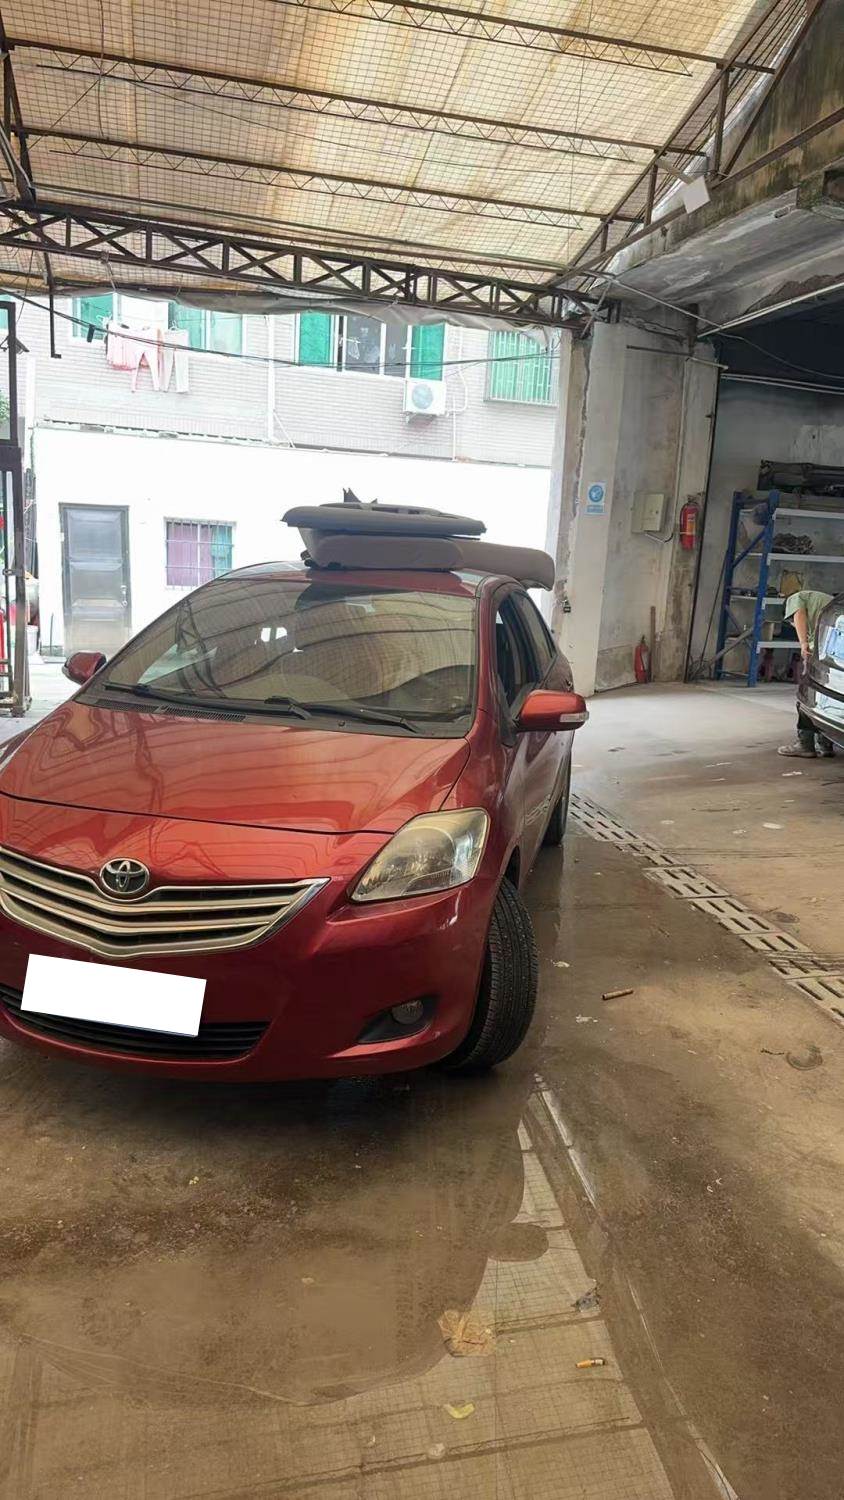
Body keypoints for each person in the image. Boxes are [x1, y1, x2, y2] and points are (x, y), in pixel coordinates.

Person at [778, 588, 835, 758]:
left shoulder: (796, 598)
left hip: (823, 647)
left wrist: (803, 644)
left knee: (806, 694)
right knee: (827, 695)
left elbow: (799, 614)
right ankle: (825, 743)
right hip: (834, 650)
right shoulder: (825, 601)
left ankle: (805, 744)